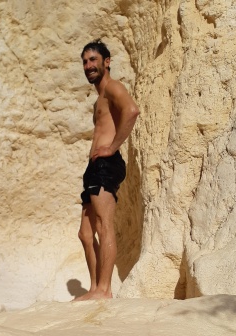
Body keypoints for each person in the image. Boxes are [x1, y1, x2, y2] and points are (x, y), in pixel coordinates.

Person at [75, 39, 139, 301]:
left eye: (93, 60)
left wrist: (112, 147)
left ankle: (104, 290)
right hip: (94, 168)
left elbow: (132, 111)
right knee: (85, 234)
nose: (88, 65)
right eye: (85, 62)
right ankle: (94, 288)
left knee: (104, 225)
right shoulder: (98, 100)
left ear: (107, 62)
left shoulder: (113, 87)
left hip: (106, 165)